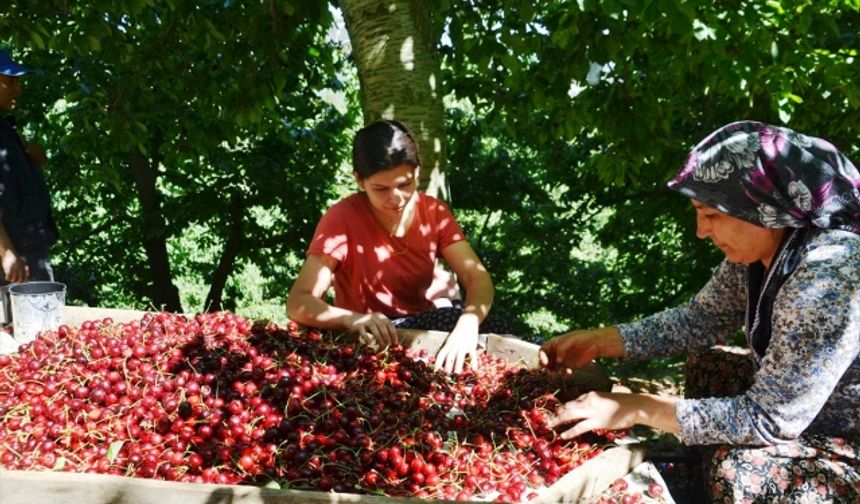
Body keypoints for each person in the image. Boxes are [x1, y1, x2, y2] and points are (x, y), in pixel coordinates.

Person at [539, 121, 860, 501]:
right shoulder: (762, 248)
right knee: (709, 366)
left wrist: (635, 408)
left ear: (761, 207)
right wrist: (601, 341)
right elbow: (701, 319)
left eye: (710, 214)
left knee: (742, 474)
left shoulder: (828, 279)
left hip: (844, 434)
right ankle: (695, 479)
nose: (700, 232)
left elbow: (769, 419)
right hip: (803, 412)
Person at [287, 120, 509, 374]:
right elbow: (298, 302)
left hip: (420, 328)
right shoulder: (341, 218)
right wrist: (352, 319)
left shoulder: (434, 212)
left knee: (497, 327)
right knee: (450, 317)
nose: (396, 198)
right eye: (381, 189)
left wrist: (468, 325)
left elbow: (476, 276)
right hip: (366, 333)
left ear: (417, 172)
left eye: (405, 184)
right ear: (359, 180)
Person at [0, 49, 59, 286]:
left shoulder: (5, 128)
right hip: (12, 258)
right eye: (10, 80)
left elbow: (37, 159)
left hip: (28, 250)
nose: (18, 87)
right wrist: (6, 252)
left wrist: (30, 153)